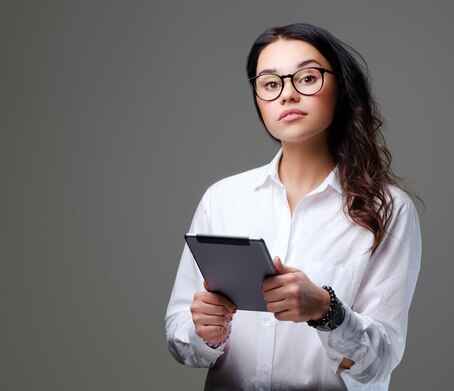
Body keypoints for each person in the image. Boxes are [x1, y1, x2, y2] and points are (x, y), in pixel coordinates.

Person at [165, 23, 421, 390]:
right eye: (271, 83)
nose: (287, 95)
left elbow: (377, 365)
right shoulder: (222, 200)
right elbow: (179, 339)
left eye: (306, 78)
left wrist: (326, 311)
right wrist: (205, 331)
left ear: (340, 86)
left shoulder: (388, 209)